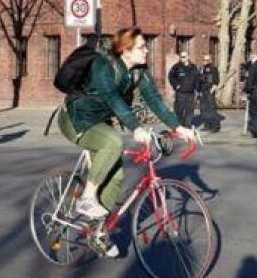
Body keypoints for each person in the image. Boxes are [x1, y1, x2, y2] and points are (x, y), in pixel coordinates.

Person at [58, 28, 194, 241]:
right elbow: (112, 98)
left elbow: (155, 100)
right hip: (76, 119)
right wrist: (136, 127)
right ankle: (86, 198)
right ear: (125, 50)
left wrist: (179, 127)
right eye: (141, 47)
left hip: (99, 122)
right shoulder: (102, 66)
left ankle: (97, 232)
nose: (147, 51)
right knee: (113, 141)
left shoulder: (139, 71)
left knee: (116, 176)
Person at [168, 51, 201, 128]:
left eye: (184, 57)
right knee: (179, 110)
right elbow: (171, 77)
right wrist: (176, 85)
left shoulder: (193, 67)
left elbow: (197, 79)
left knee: (189, 111)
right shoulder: (176, 67)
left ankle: (188, 126)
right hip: (180, 93)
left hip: (190, 93)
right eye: (181, 57)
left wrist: (198, 89)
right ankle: (180, 125)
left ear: (188, 57)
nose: (183, 58)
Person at [198, 54, 221, 132]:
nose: (205, 61)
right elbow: (198, 80)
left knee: (211, 109)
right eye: (204, 60)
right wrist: (198, 91)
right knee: (203, 109)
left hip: (209, 90)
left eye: (207, 60)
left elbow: (216, 81)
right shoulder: (201, 69)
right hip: (202, 91)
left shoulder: (213, 69)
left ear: (210, 60)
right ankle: (207, 125)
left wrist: (212, 89)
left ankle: (215, 126)